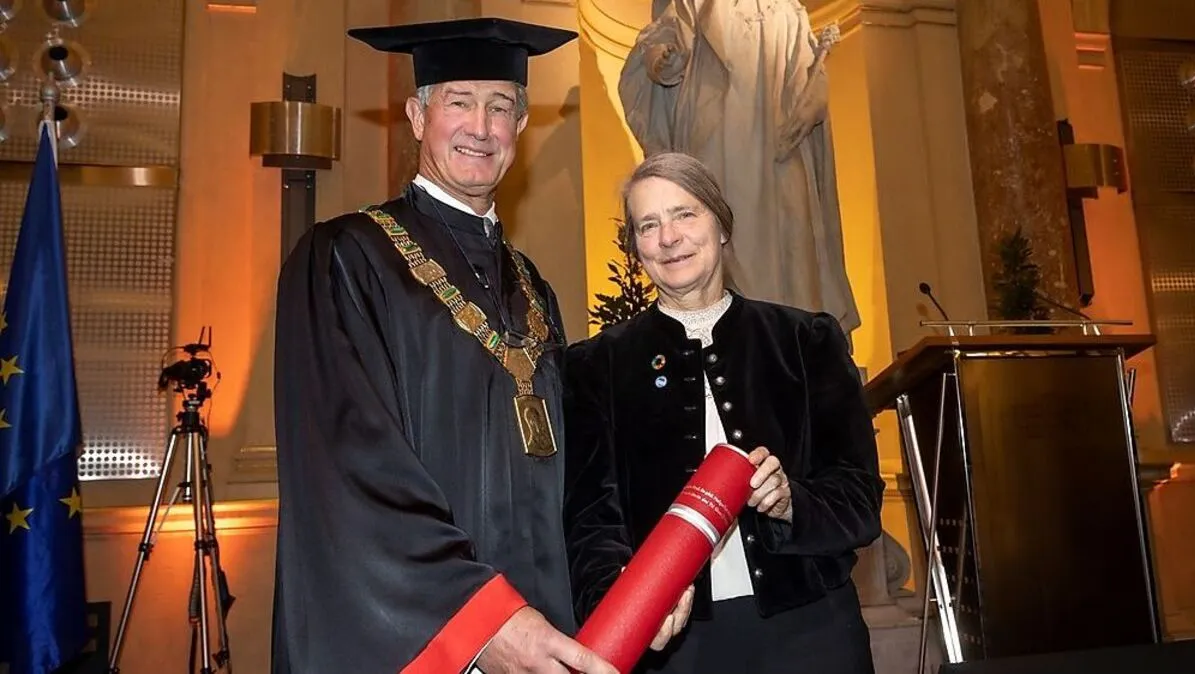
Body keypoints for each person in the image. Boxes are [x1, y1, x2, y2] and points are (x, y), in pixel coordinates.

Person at [271, 17, 619, 674]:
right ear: (417, 116)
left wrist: (615, 581)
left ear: (521, 126)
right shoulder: (347, 260)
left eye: (501, 107)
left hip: (546, 636)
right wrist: (481, 622)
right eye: (459, 102)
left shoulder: (533, 288)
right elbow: (351, 466)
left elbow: (576, 475)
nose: (481, 128)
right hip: (428, 637)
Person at [563, 152, 884, 673]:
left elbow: (860, 496)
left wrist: (791, 503)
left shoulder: (806, 341)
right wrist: (617, 601)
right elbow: (591, 521)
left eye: (685, 214)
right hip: (677, 647)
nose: (669, 238)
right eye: (648, 225)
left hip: (812, 631)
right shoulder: (594, 366)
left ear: (722, 224)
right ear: (636, 248)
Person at [617, 0, 862, 340]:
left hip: (780, 141)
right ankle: (728, 341)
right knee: (721, 229)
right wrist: (662, 59)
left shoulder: (785, 6)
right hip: (716, 134)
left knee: (792, 237)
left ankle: (795, 341)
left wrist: (815, 97)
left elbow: (808, 65)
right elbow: (662, 40)